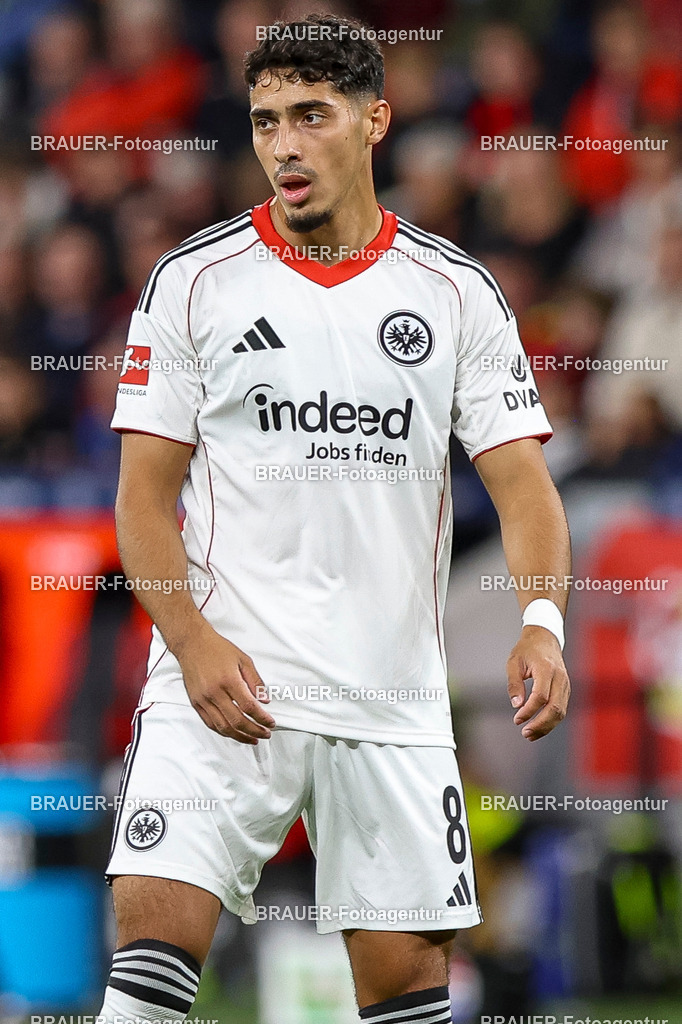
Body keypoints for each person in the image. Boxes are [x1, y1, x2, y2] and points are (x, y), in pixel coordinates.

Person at [100, 15, 571, 1023]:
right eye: (267, 120)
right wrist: (189, 642)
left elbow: (524, 487)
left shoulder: (454, 293)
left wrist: (542, 621)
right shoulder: (193, 283)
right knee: (146, 949)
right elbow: (141, 499)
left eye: (310, 115)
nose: (283, 144)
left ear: (373, 120)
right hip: (222, 678)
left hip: (388, 695)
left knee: (406, 991)